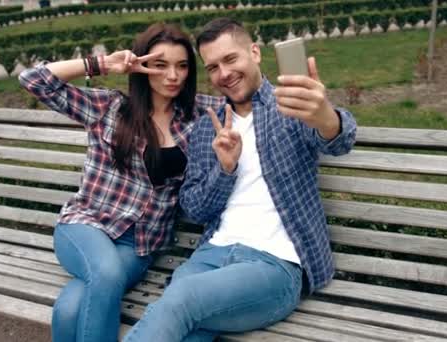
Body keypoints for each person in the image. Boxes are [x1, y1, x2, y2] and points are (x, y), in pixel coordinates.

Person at [123, 18, 357, 341]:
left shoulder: (289, 106)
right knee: (187, 328)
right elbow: (194, 206)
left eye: (231, 59)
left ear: (255, 53)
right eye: (213, 67)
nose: (224, 73)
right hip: (212, 256)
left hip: (274, 265)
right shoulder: (210, 128)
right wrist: (225, 170)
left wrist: (327, 118)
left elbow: (340, 140)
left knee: (180, 300)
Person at [19, 23, 223, 342]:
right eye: (161, 64)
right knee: (106, 273)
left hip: (140, 243)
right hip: (85, 226)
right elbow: (33, 80)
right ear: (142, 65)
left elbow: (250, 103)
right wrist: (103, 64)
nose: (173, 75)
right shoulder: (110, 107)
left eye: (182, 66)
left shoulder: (200, 115)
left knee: (70, 308)